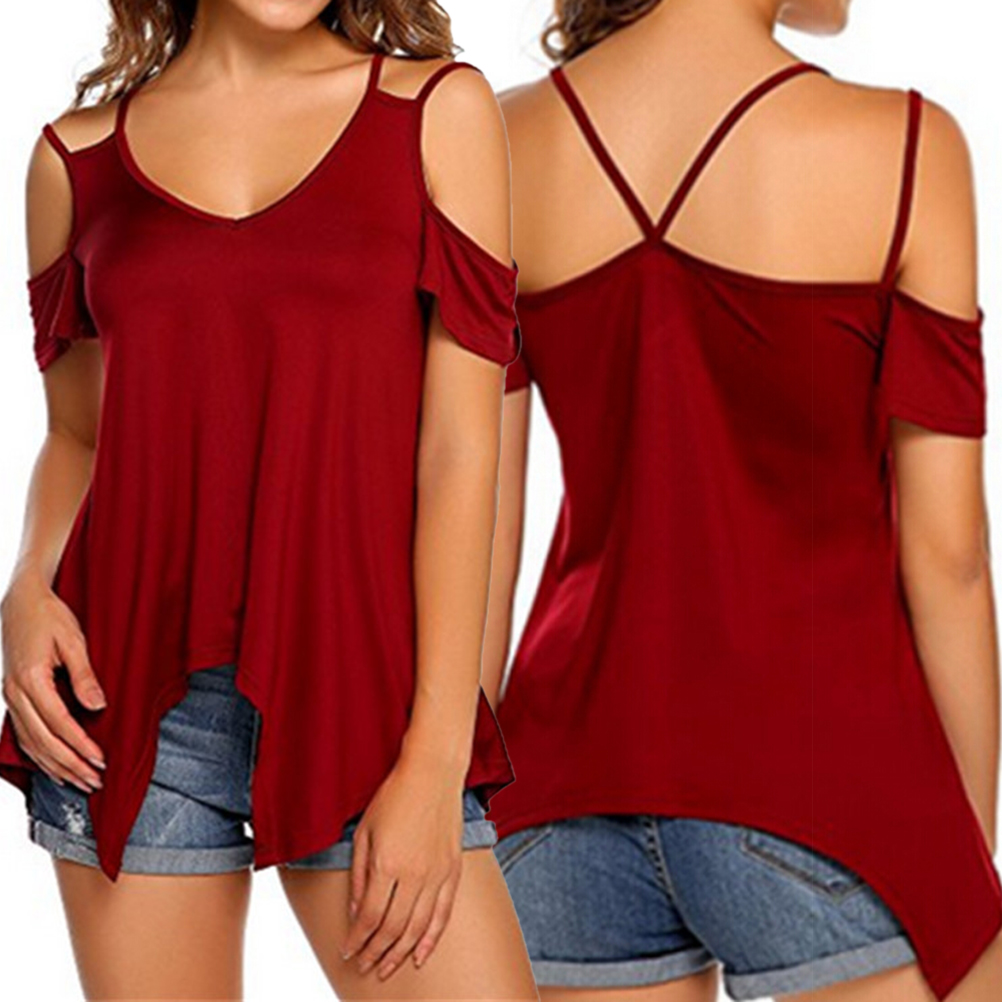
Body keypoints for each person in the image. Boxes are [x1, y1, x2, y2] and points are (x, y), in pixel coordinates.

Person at [0, 1, 536, 998]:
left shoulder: (436, 112)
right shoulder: (75, 160)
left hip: (368, 692)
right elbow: (76, 433)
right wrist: (27, 585)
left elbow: (461, 451)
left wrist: (435, 756)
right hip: (124, 698)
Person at [485, 0, 1002, 999]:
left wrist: (451, 814)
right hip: (828, 785)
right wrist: (962, 846)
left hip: (562, 790)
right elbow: (951, 559)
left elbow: (475, 538)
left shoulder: (503, 141)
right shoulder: (906, 147)